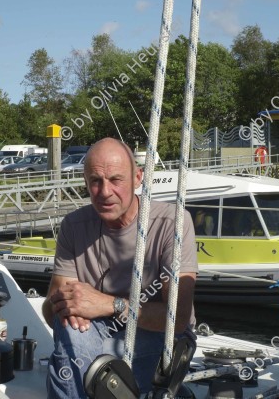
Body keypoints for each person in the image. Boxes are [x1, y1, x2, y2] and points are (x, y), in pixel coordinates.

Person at [42, 138, 199, 398]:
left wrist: (108, 304)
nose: (104, 192)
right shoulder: (73, 225)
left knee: (77, 362)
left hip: (163, 336)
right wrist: (65, 305)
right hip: (95, 331)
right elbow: (51, 312)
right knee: (70, 338)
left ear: (138, 178)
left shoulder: (172, 223)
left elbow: (177, 318)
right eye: (95, 181)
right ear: (85, 182)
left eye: (116, 180)